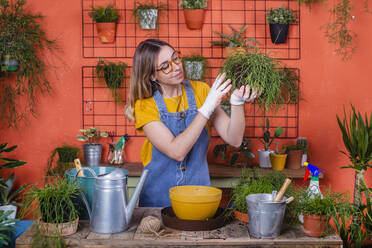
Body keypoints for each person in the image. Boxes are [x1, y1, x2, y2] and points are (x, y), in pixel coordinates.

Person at [124, 39, 259, 207]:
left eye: (176, 58)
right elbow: (177, 151)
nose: (176, 67)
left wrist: (237, 102)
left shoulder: (201, 91)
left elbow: (234, 139)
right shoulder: (145, 105)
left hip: (198, 196)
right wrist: (205, 110)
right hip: (158, 201)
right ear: (152, 75)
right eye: (165, 66)